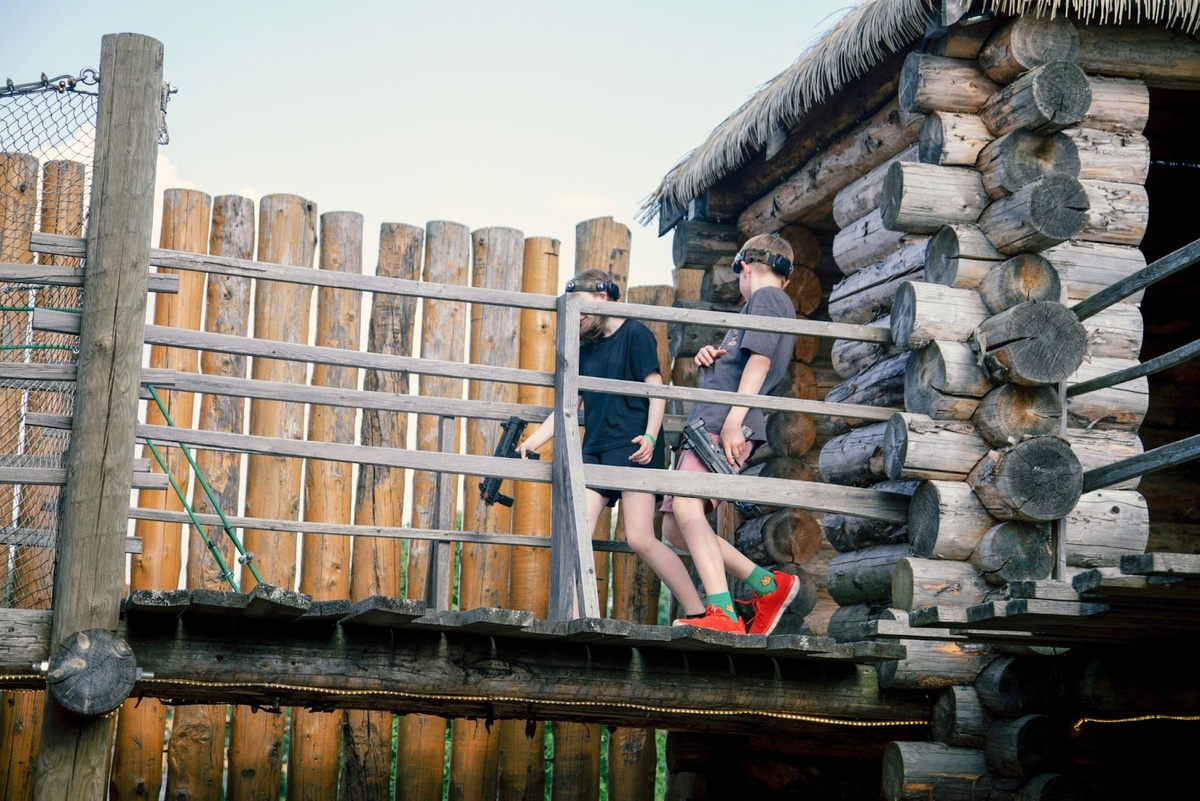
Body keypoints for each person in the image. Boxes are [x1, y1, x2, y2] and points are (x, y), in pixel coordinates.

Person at [517, 268, 710, 620]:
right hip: (595, 449)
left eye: (582, 307)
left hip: (634, 447)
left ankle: (698, 612)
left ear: (603, 298)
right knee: (576, 532)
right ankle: (576, 618)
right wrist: (533, 441)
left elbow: (656, 389)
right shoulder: (583, 347)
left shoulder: (636, 334)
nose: (578, 316)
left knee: (640, 539)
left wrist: (651, 437)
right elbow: (568, 404)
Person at [661, 233, 800, 634]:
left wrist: (734, 420)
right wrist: (712, 362)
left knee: (686, 509)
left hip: (721, 424)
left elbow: (759, 362)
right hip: (714, 421)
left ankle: (721, 611)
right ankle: (767, 586)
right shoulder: (765, 304)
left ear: (745, 267)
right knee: (675, 527)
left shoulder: (767, 298)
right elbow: (744, 363)